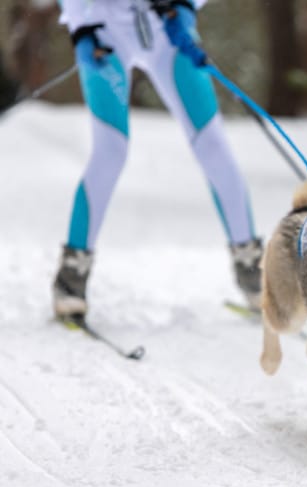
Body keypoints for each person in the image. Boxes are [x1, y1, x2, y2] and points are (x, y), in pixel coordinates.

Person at [53, 0, 263, 318]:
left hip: (165, 28)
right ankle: (72, 272)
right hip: (105, 30)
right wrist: (81, 27)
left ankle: (251, 266)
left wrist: (186, 8)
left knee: (213, 145)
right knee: (110, 151)